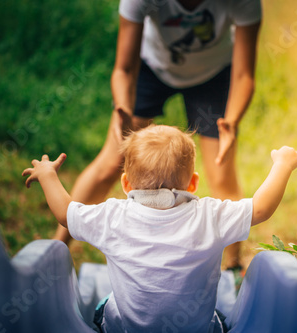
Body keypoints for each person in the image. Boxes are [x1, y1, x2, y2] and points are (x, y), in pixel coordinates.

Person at [22, 124, 297, 333]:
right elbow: (260, 208)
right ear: (192, 184)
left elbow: (65, 213)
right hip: (196, 330)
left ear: (126, 184)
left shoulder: (112, 216)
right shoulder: (210, 215)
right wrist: (282, 164)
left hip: (124, 330)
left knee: (108, 304)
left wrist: (48, 176)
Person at [54, 0, 263, 275]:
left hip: (214, 76)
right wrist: (123, 109)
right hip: (151, 70)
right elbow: (123, 70)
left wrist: (231, 122)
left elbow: (244, 75)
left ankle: (233, 267)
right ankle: (56, 248)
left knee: (222, 172)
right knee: (111, 162)